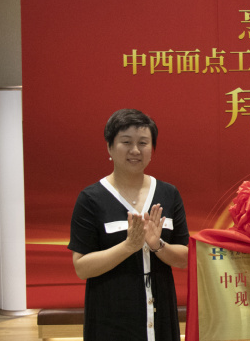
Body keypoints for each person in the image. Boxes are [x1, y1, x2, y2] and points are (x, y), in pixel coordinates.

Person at [68, 109, 189, 341]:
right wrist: (127, 247)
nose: (135, 150)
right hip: (110, 318)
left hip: (161, 315)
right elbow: (82, 267)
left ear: (152, 150)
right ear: (110, 148)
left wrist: (158, 245)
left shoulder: (169, 194)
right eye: (126, 142)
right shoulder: (91, 199)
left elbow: (185, 258)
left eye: (143, 143)